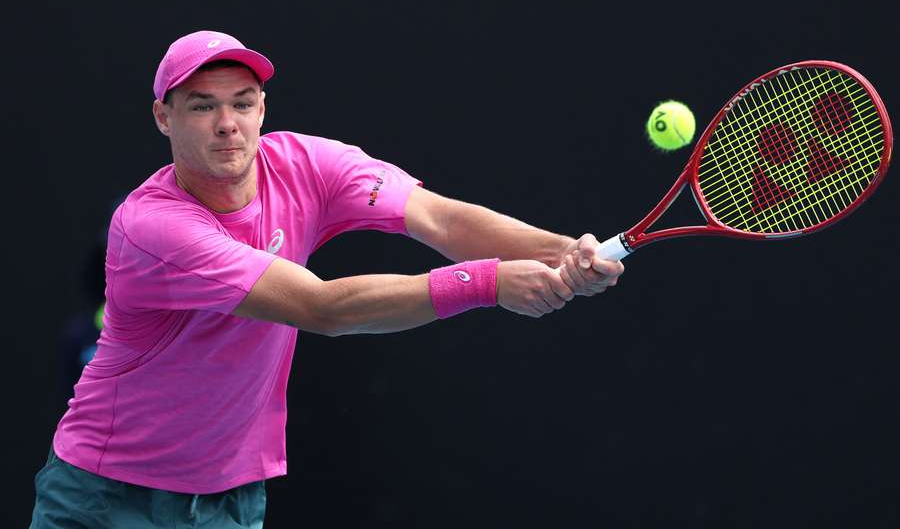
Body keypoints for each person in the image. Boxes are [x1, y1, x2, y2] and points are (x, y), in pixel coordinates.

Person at [30, 30, 625, 528]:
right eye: (202, 105)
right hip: (107, 496)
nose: (227, 124)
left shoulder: (309, 165)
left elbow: (439, 218)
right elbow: (321, 308)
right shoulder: (152, 227)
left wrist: (566, 251)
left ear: (262, 107)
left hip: (227, 498)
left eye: (242, 102)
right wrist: (488, 283)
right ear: (164, 116)